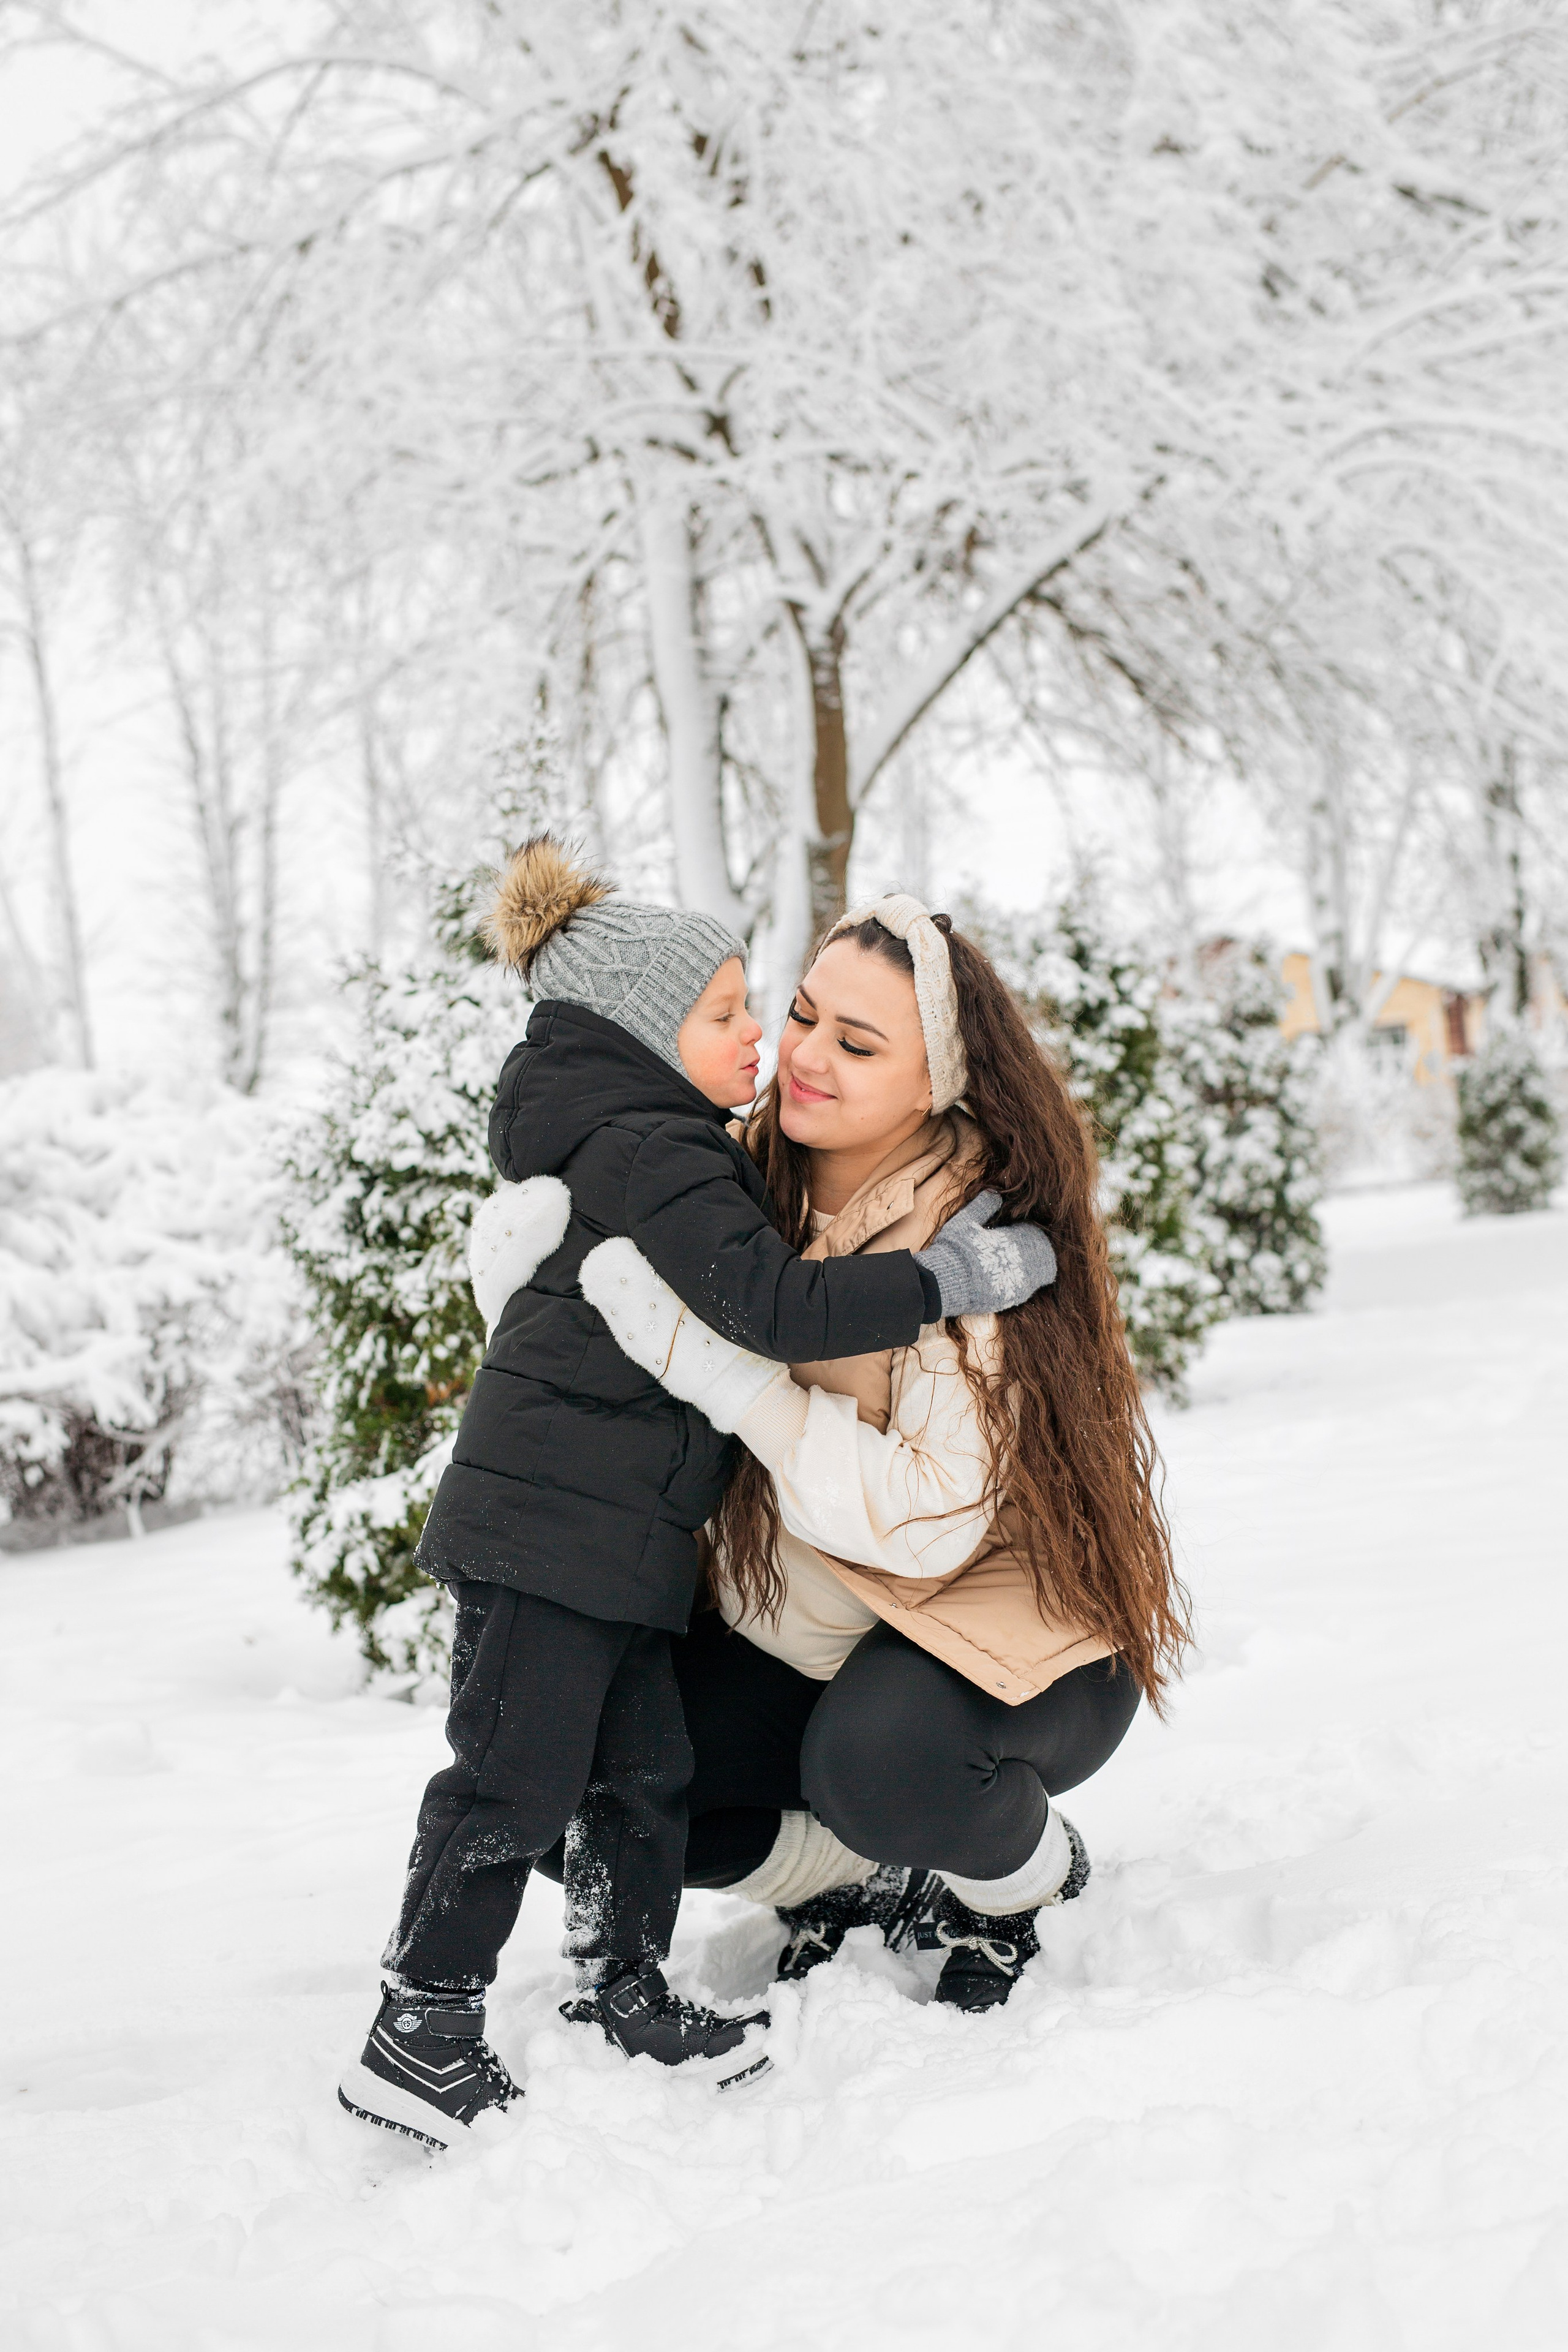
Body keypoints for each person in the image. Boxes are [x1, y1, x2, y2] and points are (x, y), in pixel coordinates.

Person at [337, 845, 1059, 2149]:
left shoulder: (662, 1146)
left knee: (643, 1773)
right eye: (730, 1014)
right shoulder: (650, 1149)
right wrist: (951, 1277)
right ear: (638, 1034)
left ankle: (619, 1984)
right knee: (507, 1779)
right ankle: (421, 2024)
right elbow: (775, 1309)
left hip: (617, 1541)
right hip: (550, 1536)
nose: (759, 1041)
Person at [587, 894, 1189, 2013]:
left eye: (857, 1044)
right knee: (585, 1766)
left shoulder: (976, 1249)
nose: (805, 1056)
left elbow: (925, 1525)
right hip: (821, 1626)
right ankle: (865, 1877)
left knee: (880, 1764)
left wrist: (735, 1381)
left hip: (1006, 1636)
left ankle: (1030, 1883)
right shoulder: (738, 1187)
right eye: (804, 1015)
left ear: (939, 1084)